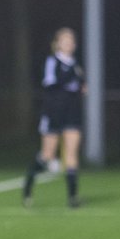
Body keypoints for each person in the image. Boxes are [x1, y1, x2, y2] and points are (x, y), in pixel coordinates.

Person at [23, 27, 85, 208]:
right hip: (53, 112)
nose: (68, 43)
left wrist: (81, 86)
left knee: (71, 154)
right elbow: (50, 83)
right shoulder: (52, 62)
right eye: (64, 40)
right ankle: (28, 186)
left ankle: (73, 197)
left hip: (72, 113)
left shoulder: (76, 65)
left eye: (71, 40)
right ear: (57, 44)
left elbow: (80, 86)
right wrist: (70, 80)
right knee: (47, 155)